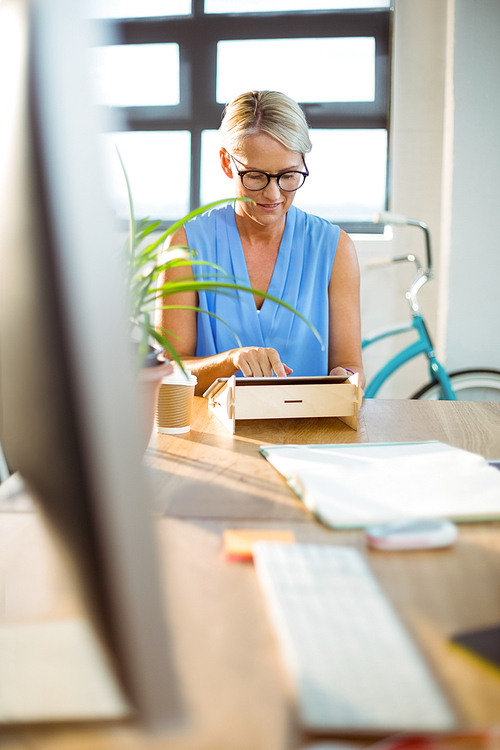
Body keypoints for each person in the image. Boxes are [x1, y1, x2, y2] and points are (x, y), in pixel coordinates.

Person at [156, 90, 365, 396]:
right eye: (255, 176)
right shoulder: (186, 244)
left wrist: (346, 380)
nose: (274, 195)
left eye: (289, 175)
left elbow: (351, 366)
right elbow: (171, 370)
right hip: (213, 437)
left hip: (310, 433)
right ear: (227, 164)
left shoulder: (335, 248)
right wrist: (229, 362)